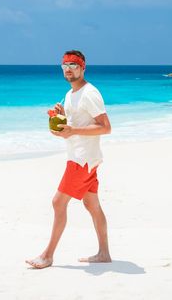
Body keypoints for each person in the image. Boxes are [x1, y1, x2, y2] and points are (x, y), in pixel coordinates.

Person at [26, 50, 112, 269]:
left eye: (74, 65)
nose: (68, 69)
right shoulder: (70, 94)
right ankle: (104, 253)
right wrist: (60, 115)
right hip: (83, 157)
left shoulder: (90, 93)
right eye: (64, 65)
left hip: (81, 160)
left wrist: (73, 130)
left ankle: (47, 256)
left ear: (83, 67)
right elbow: (74, 122)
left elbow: (105, 127)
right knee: (91, 204)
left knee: (58, 202)